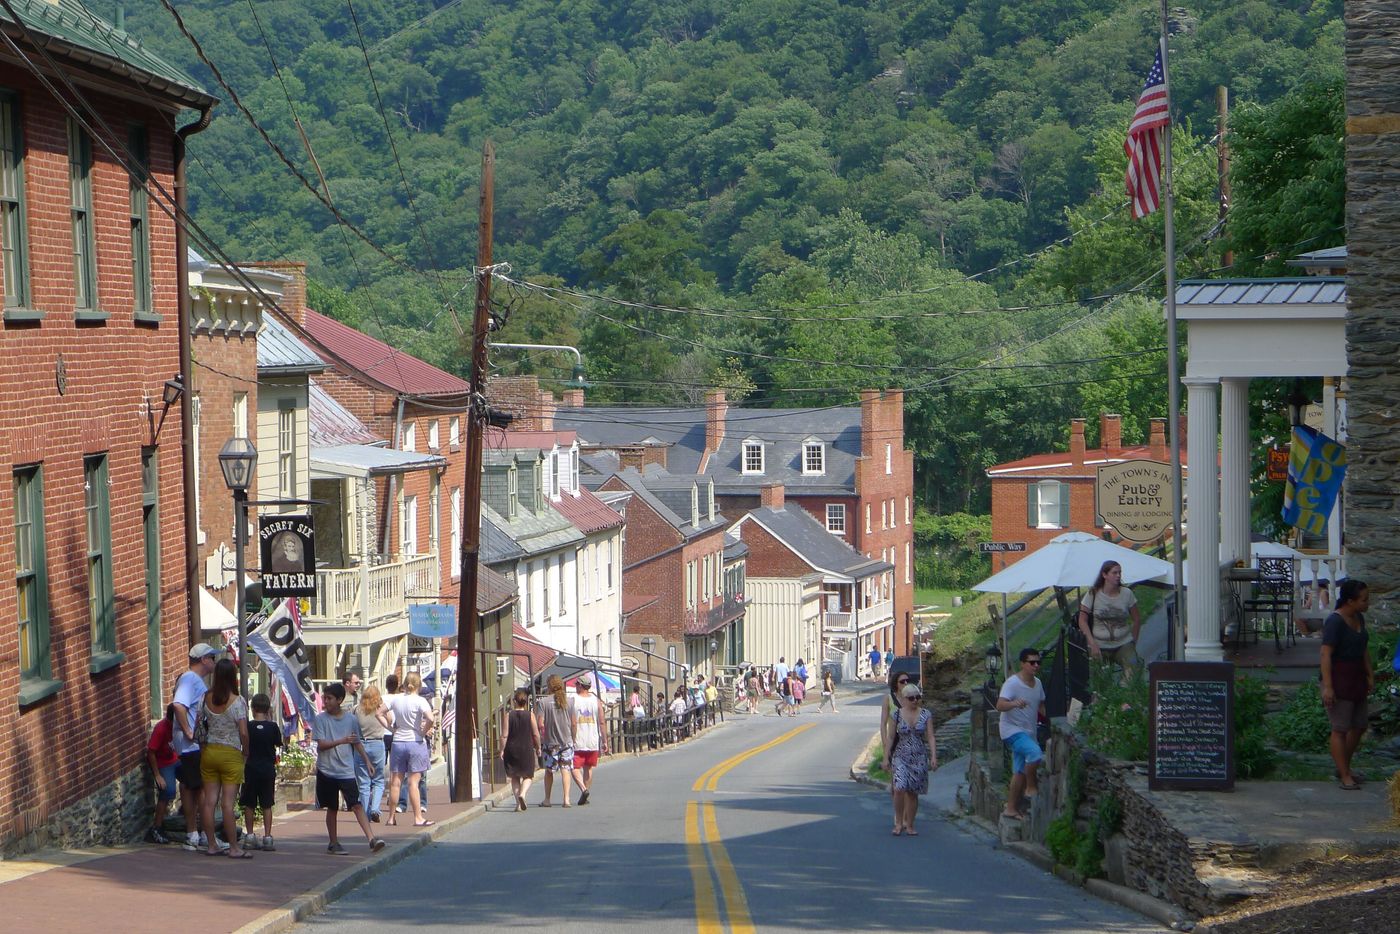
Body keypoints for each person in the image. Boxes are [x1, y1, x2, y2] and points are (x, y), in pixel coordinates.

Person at [312, 682, 386, 855]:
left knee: (356, 805)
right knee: (332, 807)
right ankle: (333, 842)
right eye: (325, 698)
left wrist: (367, 761)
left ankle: (371, 839)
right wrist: (341, 741)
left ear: (339, 700)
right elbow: (321, 745)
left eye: (329, 698)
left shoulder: (351, 719)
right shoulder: (320, 719)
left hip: (346, 770)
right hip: (327, 770)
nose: (326, 701)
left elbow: (356, 741)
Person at [1321, 579, 1374, 789]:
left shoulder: (1359, 618)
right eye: (1364, 599)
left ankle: (1344, 765)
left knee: (1359, 725)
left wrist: (1370, 674)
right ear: (1350, 601)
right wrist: (1328, 686)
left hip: (1356, 676)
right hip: (1339, 677)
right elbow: (1325, 654)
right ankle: (1344, 775)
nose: (1367, 603)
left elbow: (1364, 649)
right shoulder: (1335, 622)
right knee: (1340, 728)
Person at [198, 658, 251, 858]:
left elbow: (199, 724)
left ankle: (212, 844)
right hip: (230, 753)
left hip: (210, 751)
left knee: (209, 802)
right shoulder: (237, 701)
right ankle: (234, 848)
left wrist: (203, 747)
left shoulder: (206, 698)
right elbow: (244, 732)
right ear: (233, 677)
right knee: (227, 803)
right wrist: (245, 750)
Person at [173, 643, 220, 852]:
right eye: (212, 658)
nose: (214, 662)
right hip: (191, 747)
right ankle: (198, 834)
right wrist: (189, 732)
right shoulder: (190, 679)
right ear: (203, 660)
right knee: (198, 789)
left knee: (192, 787)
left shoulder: (194, 680)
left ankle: (198, 833)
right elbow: (178, 705)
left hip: (193, 746)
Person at [997, 648, 1047, 820]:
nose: (1036, 665)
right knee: (1035, 754)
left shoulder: (1038, 683)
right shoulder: (1012, 683)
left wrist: (1051, 720)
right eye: (1032, 662)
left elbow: (1040, 705)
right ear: (1022, 664)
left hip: (1028, 732)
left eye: (1038, 662)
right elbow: (1000, 705)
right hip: (1011, 730)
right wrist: (1014, 704)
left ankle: (1010, 808)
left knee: (1019, 771)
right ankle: (1031, 787)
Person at [883, 682, 936, 835]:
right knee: (899, 788)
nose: (915, 701)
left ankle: (910, 825)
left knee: (913, 792)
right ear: (905, 699)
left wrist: (933, 756)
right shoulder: (897, 714)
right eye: (911, 698)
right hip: (901, 755)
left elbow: (931, 736)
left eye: (917, 697)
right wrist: (886, 757)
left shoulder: (926, 714)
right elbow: (891, 737)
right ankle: (898, 823)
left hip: (919, 756)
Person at [1077, 560, 1142, 679]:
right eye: (1114, 573)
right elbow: (1082, 620)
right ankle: (1100, 696)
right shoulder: (1093, 593)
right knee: (1098, 677)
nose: (1118, 576)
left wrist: (1133, 641)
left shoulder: (1127, 593)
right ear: (1104, 575)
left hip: (1123, 642)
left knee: (1133, 667)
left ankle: (1125, 693)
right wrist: (1091, 643)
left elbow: (1137, 619)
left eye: (1120, 572)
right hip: (1100, 644)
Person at [385, 672, 435, 827]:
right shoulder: (420, 701)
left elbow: (379, 712)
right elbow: (431, 719)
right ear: (418, 685)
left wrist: (390, 728)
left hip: (398, 741)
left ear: (404, 684)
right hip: (415, 741)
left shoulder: (396, 699)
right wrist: (423, 730)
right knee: (414, 782)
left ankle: (391, 818)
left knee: (395, 782)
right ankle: (418, 817)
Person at [241, 693, 283, 851]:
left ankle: (250, 836)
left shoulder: (248, 726)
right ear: (267, 709)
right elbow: (278, 743)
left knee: (249, 804)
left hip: (250, 768)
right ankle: (267, 837)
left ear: (253, 709)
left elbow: (243, 740)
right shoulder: (273, 727)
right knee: (267, 804)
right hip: (267, 769)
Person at [537, 675, 580, 806]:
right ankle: (566, 799)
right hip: (566, 741)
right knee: (565, 769)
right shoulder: (570, 701)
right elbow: (573, 723)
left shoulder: (543, 703)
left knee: (549, 771)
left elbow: (540, 723)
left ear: (549, 686)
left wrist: (542, 738)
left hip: (550, 742)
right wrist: (573, 738)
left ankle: (547, 799)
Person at [354, 684, 391, 823]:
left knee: (363, 782)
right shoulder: (379, 709)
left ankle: (365, 812)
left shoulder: (357, 710)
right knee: (378, 780)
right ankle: (375, 808)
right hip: (377, 744)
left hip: (361, 744)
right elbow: (390, 719)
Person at [501, 689, 541, 810]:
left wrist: (502, 749)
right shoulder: (530, 715)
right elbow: (536, 734)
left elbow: (504, 735)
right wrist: (538, 747)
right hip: (526, 748)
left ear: (514, 702)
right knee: (528, 775)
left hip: (511, 749)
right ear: (525, 702)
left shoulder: (508, 715)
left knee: (514, 776)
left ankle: (518, 803)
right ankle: (523, 794)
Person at [145, 705, 179, 844]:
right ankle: (156, 828)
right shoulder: (161, 729)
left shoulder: (181, 725)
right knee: (167, 790)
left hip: (176, 759)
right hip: (163, 763)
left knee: (193, 780)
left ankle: (190, 816)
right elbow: (151, 752)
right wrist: (157, 775)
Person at [571, 674, 608, 805]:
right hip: (593, 739)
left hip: (578, 739)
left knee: (573, 767)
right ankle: (585, 791)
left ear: (580, 685)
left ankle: (583, 789)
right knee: (588, 768)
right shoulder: (596, 701)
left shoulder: (573, 699)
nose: (575, 686)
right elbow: (602, 722)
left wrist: (571, 736)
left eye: (576, 684)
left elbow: (572, 722)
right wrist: (604, 741)